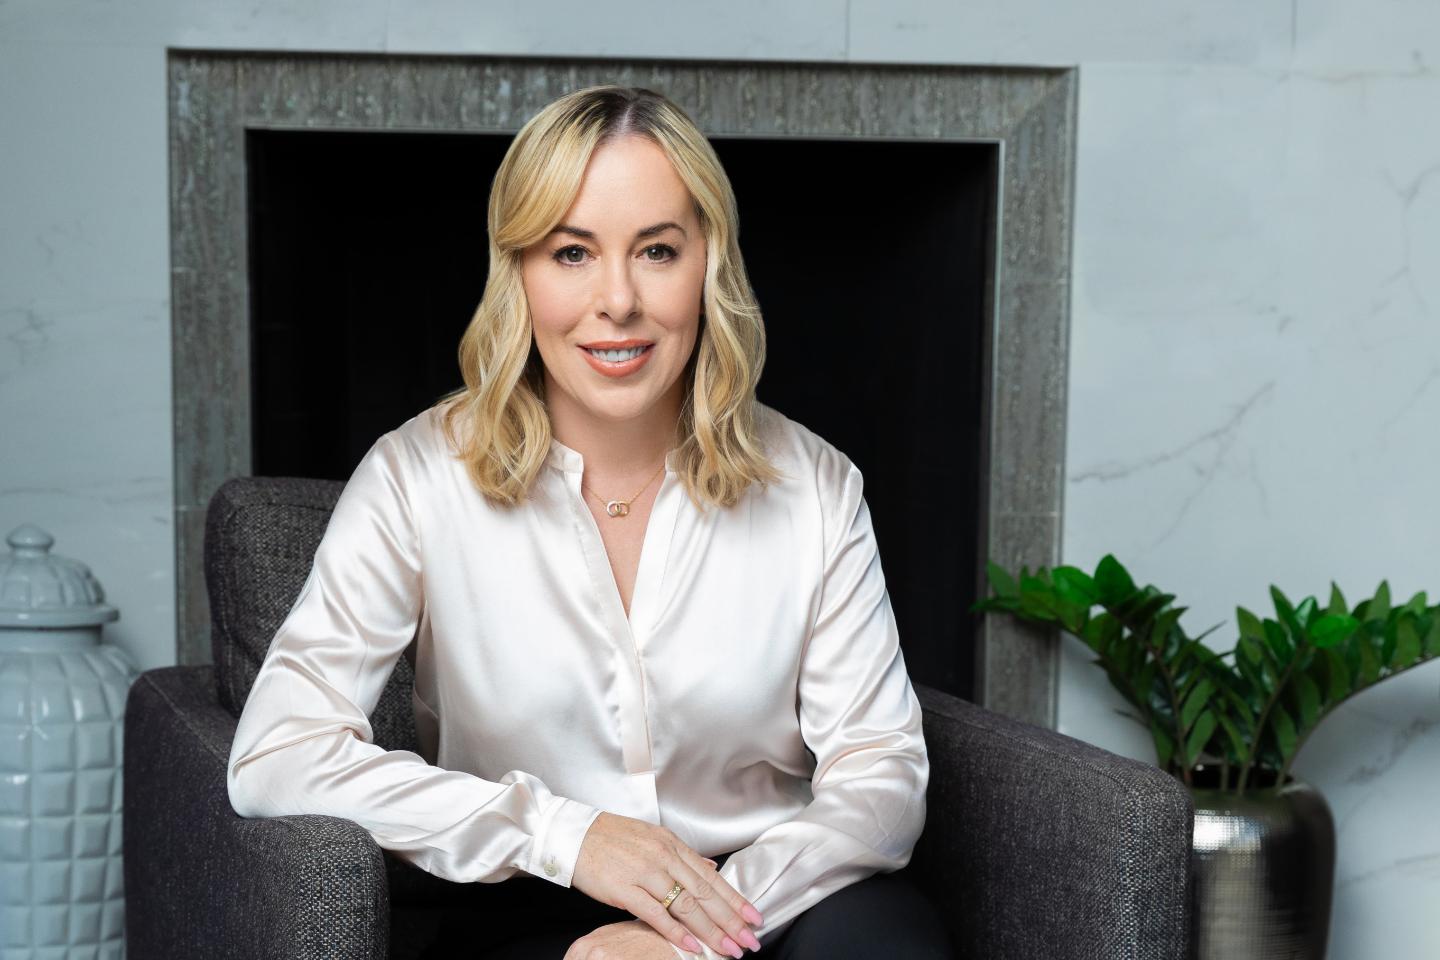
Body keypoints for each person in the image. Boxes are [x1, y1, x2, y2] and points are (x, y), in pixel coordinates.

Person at [226, 84, 952, 960]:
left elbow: (881, 772)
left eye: (656, 250)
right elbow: (277, 754)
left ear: (709, 264)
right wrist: (567, 835)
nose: (617, 301)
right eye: (572, 253)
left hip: (774, 900)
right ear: (519, 273)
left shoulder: (815, 485)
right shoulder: (417, 477)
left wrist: (697, 921)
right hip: (531, 902)